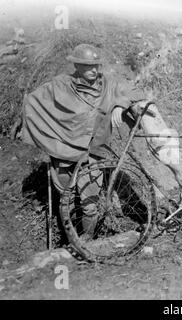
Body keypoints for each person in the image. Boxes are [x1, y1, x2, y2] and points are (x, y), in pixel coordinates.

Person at [22, 43, 144, 240]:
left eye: (96, 65)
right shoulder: (60, 85)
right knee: (66, 200)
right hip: (64, 153)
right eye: (88, 66)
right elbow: (32, 102)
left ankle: (87, 241)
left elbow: (132, 93)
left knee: (89, 204)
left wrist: (119, 106)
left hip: (94, 154)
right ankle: (69, 240)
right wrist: (50, 137)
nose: (94, 70)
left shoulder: (108, 85)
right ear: (77, 66)